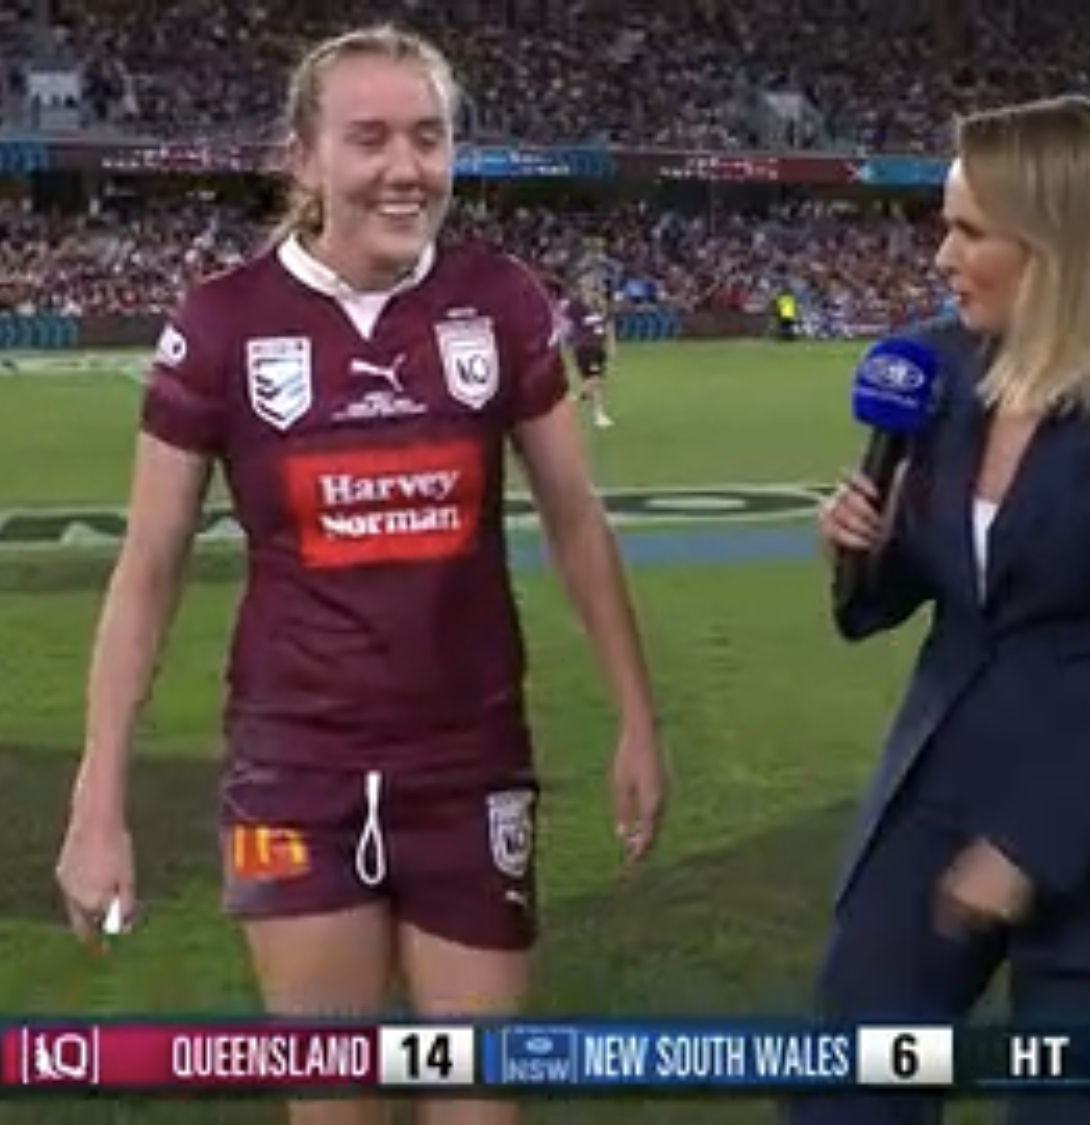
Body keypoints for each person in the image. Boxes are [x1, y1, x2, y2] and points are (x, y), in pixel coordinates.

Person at [53, 25, 667, 1125]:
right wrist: (97, 801)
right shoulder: (223, 323)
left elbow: (576, 522)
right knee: (334, 1104)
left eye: (428, 138)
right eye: (370, 138)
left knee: (475, 1104)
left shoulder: (500, 301)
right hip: (296, 771)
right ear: (304, 157)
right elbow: (147, 568)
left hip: (469, 764)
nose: (405, 168)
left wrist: (636, 718)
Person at [794, 94, 1090, 1125]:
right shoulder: (934, 368)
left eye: (968, 231)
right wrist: (861, 549)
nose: (940, 255)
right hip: (936, 787)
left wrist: (1026, 848)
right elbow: (887, 604)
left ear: (1056, 245)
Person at [561, 276, 616, 428]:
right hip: (585, 347)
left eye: (597, 288)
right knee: (595, 380)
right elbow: (566, 323)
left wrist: (611, 347)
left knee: (595, 381)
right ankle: (599, 414)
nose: (595, 291)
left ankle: (575, 398)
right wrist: (564, 341)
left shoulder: (602, 305)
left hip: (599, 348)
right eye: (590, 288)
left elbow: (609, 326)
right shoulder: (575, 305)